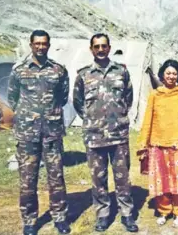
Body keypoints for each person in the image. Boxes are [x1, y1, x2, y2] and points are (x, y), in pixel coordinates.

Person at [73, 33, 138, 233]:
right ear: (91, 49)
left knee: (122, 177)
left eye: (104, 46)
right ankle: (102, 214)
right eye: (96, 47)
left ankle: (127, 214)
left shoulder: (121, 72)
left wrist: (117, 118)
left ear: (109, 48)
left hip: (118, 135)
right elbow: (78, 102)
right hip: (94, 136)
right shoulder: (83, 75)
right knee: (98, 178)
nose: (100, 50)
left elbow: (128, 98)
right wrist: (93, 120)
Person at [8, 30, 71, 235]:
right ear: (31, 45)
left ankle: (60, 218)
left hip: (52, 133)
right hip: (27, 134)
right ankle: (29, 220)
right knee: (27, 179)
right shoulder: (19, 71)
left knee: (56, 178)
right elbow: (12, 98)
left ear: (49, 45)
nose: (41, 47)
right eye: (37, 43)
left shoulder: (58, 70)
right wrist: (30, 115)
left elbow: (62, 98)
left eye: (44, 43)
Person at [136, 59, 178, 228]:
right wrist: (144, 143)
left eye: (174, 73)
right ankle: (164, 210)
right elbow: (148, 120)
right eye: (168, 73)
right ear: (162, 75)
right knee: (161, 181)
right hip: (158, 145)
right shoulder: (155, 95)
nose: (171, 76)